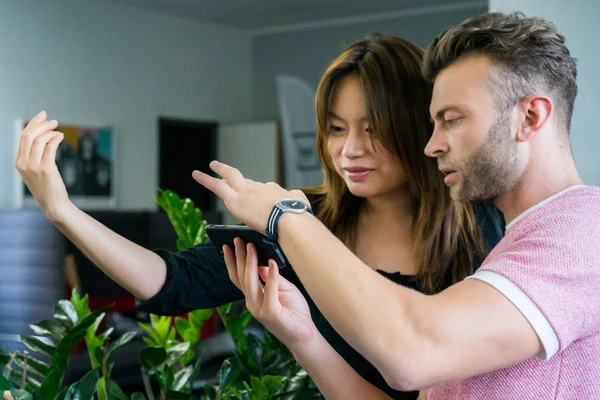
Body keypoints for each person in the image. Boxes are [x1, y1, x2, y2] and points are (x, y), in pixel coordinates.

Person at [15, 34, 504, 399]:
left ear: (416, 126)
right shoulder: (301, 219)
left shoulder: (484, 227)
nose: (350, 150)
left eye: (372, 129)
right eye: (335, 129)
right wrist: (63, 212)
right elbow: (170, 282)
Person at [192, 12, 600, 399]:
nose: (431, 145)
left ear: (530, 117)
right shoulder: (511, 252)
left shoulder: (583, 234)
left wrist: (288, 217)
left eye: (452, 119)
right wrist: (305, 338)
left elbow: (412, 351)